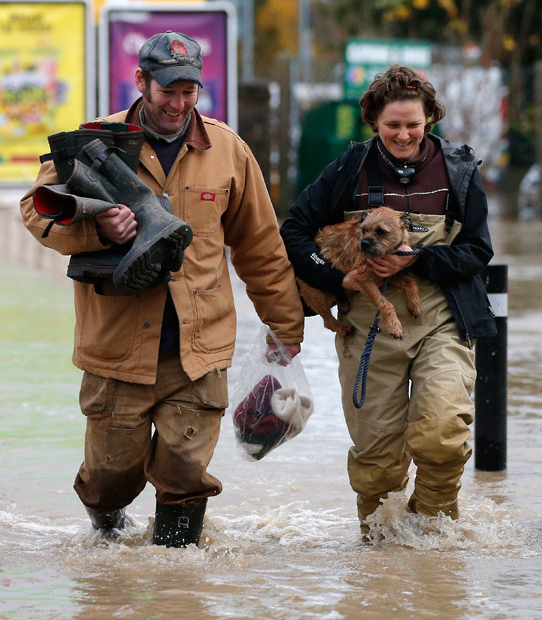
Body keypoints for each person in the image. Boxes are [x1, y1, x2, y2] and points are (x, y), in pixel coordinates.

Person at [20, 31, 304, 546]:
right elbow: (35, 208)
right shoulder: (93, 141)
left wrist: (285, 330)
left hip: (199, 352)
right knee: (109, 478)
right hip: (117, 349)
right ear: (142, 83)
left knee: (185, 475)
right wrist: (95, 229)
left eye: (188, 92)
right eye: (167, 91)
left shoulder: (229, 151)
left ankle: (177, 583)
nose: (177, 104)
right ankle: (107, 546)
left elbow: (262, 250)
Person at [280, 65, 496, 538]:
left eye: (413, 124)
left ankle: (432, 536)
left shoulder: (458, 170)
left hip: (443, 318)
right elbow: (293, 231)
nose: (403, 134)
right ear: (374, 121)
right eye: (392, 125)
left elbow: (478, 252)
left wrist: (414, 261)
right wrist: (334, 279)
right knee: (376, 459)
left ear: (430, 120)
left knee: (442, 433)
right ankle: (380, 552)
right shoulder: (347, 168)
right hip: (367, 326)